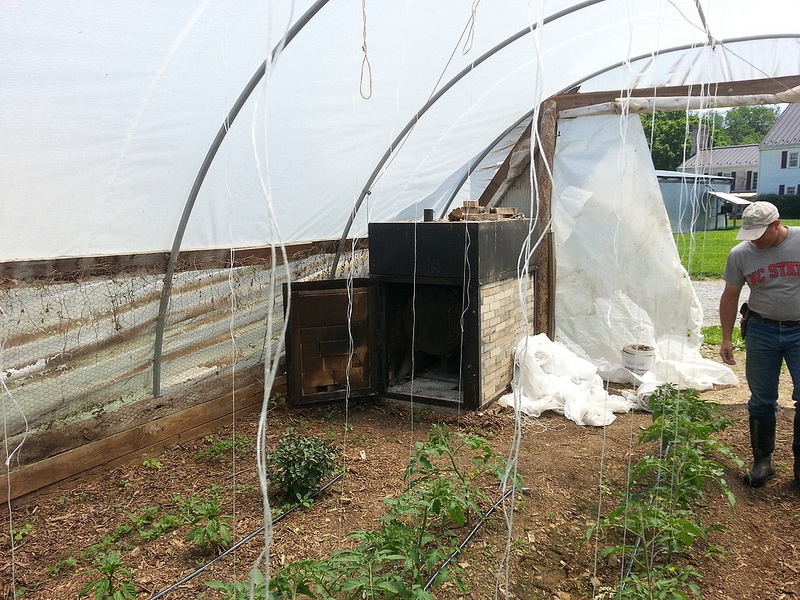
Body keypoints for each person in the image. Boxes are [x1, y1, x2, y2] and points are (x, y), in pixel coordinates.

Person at [719, 201, 800, 488]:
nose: (753, 240)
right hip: (761, 329)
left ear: (777, 225)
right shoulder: (741, 255)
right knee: (762, 397)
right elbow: (730, 296)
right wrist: (726, 338)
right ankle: (763, 462)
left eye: (759, 234)